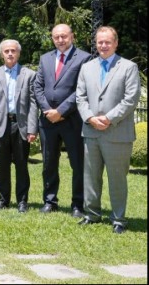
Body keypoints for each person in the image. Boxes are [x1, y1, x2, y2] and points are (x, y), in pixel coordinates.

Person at [76, 26, 140, 234]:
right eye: (100, 42)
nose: (103, 45)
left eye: (107, 42)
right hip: (92, 131)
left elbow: (131, 99)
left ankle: (118, 218)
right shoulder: (87, 68)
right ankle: (91, 214)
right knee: (91, 176)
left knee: (117, 178)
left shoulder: (128, 67)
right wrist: (90, 118)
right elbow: (80, 97)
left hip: (117, 133)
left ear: (116, 43)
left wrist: (108, 118)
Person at [32, 23, 91, 217]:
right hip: (48, 120)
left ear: (72, 36)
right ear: (52, 38)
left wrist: (62, 111)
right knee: (49, 162)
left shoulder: (84, 58)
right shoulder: (45, 58)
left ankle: (77, 204)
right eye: (56, 37)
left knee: (78, 163)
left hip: (72, 120)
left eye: (64, 36)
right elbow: (38, 87)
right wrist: (48, 110)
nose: (60, 40)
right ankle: (50, 201)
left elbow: (81, 90)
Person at [0, 39, 38, 213]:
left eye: (13, 51)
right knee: (2, 165)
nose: (10, 54)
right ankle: (3, 199)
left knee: (22, 165)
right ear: (1, 54)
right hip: (1, 125)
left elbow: (33, 104)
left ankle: (22, 201)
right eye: (6, 51)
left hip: (21, 125)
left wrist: (32, 129)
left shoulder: (29, 74)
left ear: (18, 53)